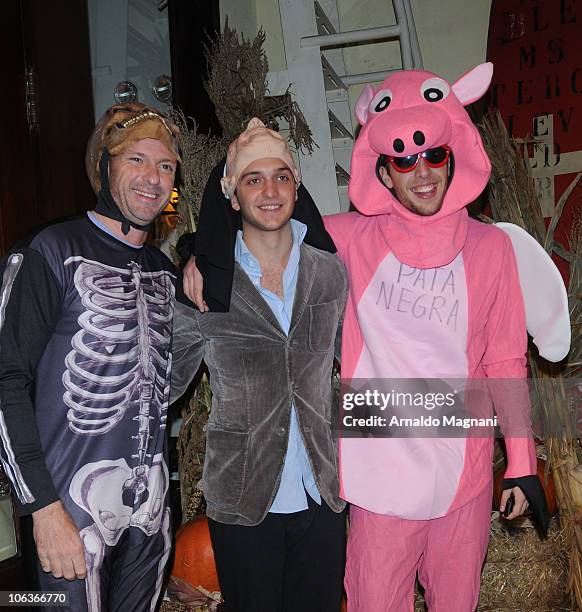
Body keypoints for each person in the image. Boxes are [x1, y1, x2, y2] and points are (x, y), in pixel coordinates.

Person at [182, 64, 558, 611]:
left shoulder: (491, 249)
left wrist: (521, 461)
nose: (422, 172)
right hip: (378, 476)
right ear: (382, 172)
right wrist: (199, 249)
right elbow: (262, 221)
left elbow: (505, 359)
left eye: (434, 155)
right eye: (403, 159)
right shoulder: (346, 239)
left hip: (465, 475)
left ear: (454, 155)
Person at [0, 102, 180, 611]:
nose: (153, 178)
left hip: (151, 513)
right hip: (69, 513)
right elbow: (4, 380)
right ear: (104, 165)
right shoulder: (49, 251)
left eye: (165, 165)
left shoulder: (165, 272)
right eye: (136, 160)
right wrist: (41, 507)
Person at [170, 118, 348, 612]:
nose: (270, 191)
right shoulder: (207, 284)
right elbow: (163, 384)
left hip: (321, 494)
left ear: (296, 185)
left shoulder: (330, 272)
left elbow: (352, 362)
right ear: (232, 195)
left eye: (281, 176)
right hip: (244, 497)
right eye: (254, 179)